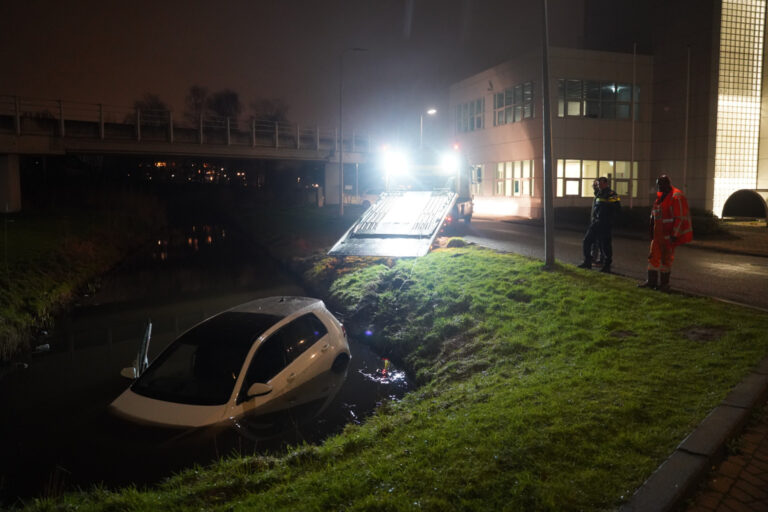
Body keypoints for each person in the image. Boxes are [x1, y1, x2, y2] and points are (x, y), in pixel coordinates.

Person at [638, 173, 693, 292]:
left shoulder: (676, 196)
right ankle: (651, 282)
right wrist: (651, 231)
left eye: (660, 185)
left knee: (666, 260)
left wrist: (674, 235)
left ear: (667, 184)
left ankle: (664, 285)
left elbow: (680, 218)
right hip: (658, 235)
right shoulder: (661, 196)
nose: (658, 187)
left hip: (668, 235)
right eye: (658, 185)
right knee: (653, 258)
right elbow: (655, 215)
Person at [577, 176, 621, 273]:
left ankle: (606, 266)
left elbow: (617, 209)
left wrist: (609, 219)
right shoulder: (599, 193)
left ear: (606, 183)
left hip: (605, 223)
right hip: (596, 222)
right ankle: (587, 262)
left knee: (605, 245)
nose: (599, 185)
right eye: (598, 183)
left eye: (600, 183)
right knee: (586, 241)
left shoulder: (612, 194)